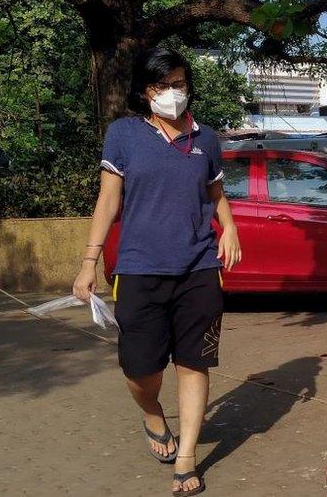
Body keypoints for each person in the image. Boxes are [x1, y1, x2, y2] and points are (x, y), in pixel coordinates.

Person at [73, 48, 241, 496]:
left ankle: (185, 458)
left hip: (199, 267)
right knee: (141, 370)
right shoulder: (124, 134)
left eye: (180, 84)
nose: (173, 93)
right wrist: (89, 262)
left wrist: (229, 229)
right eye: (162, 86)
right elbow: (109, 200)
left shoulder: (205, 138)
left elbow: (216, 193)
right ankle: (151, 412)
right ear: (146, 92)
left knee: (194, 362)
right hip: (139, 269)